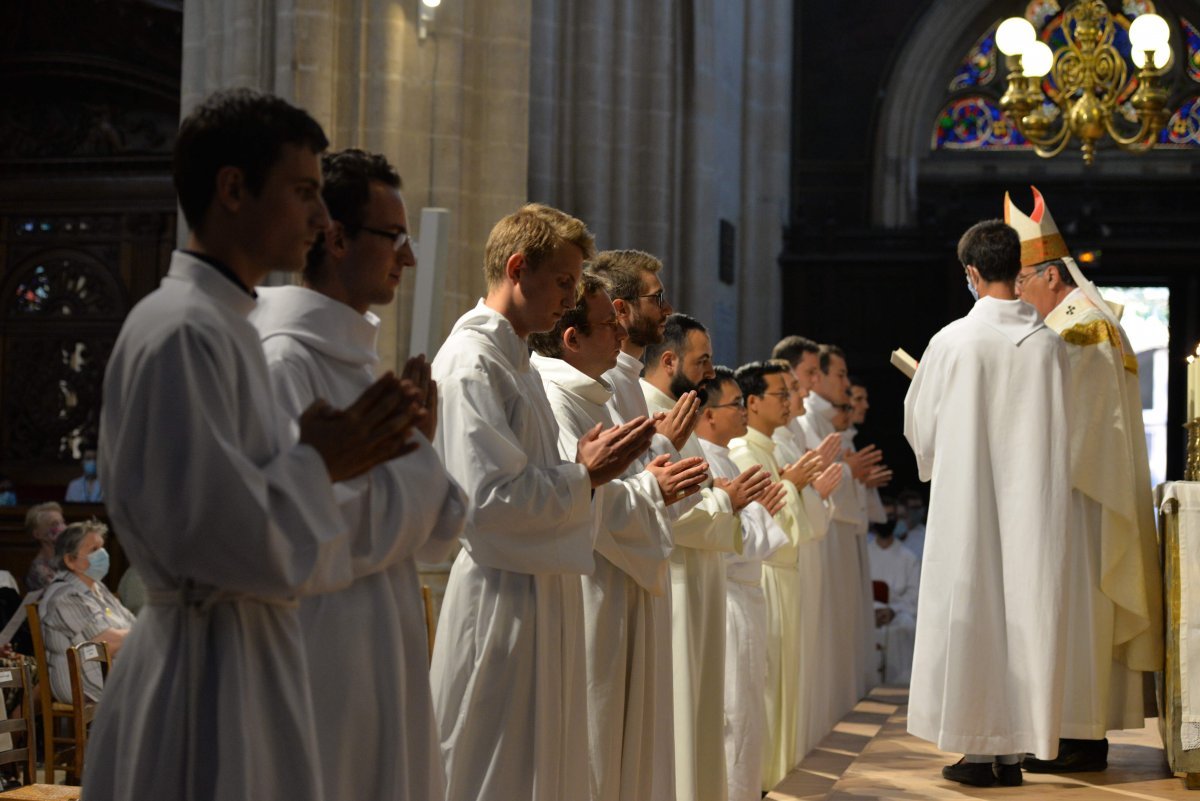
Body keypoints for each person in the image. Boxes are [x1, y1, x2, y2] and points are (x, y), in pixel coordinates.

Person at [84, 88, 423, 801]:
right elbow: (218, 540)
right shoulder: (183, 331)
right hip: (200, 680)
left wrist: (333, 463)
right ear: (233, 188)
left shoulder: (226, 327)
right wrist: (324, 462)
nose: (322, 218)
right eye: (304, 191)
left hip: (243, 658)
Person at [250, 148, 468, 801]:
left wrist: (418, 453)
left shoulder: (357, 365)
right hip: (326, 651)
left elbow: (441, 532)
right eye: (394, 236)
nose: (409, 257)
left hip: (381, 641)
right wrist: (420, 470)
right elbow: (310, 530)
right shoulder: (284, 361)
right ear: (336, 237)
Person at [430, 203, 655, 801]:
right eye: (562, 281)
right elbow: (488, 500)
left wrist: (575, 468)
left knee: (545, 768)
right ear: (516, 268)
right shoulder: (471, 364)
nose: (568, 298)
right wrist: (582, 477)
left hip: (539, 593)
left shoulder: (518, 362)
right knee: (494, 768)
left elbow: (528, 475)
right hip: (499, 600)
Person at [904, 218, 1070, 787]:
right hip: (1033, 510)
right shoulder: (1050, 345)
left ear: (972, 273)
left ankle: (978, 754)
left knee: (974, 614)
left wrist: (937, 460)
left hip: (968, 505)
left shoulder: (952, 341)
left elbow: (919, 428)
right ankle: (1014, 748)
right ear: (1016, 270)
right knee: (1025, 611)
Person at [530, 274, 706, 801]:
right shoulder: (557, 397)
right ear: (572, 338)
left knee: (627, 745)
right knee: (597, 741)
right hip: (595, 585)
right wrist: (656, 481)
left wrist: (659, 473)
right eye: (609, 324)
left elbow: (618, 481)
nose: (620, 333)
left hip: (626, 579)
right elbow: (586, 494)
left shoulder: (602, 391)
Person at [1009, 186, 1163, 773]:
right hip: (1083, 491)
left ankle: (1075, 736)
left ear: (1050, 276)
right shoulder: (1090, 319)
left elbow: (1071, 425)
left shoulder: (1078, 328)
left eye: (1022, 281)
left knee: (1072, 610)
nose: (1019, 293)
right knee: (1074, 614)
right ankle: (1074, 732)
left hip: (1078, 495)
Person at [642, 313, 768, 801]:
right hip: (674, 589)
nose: (711, 373)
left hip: (700, 585)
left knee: (705, 720)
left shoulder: (680, 418)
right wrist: (726, 500)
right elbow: (669, 511)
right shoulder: (651, 414)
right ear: (670, 360)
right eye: (704, 361)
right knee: (686, 723)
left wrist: (722, 497)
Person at [694, 367, 789, 801]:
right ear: (708, 414)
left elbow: (748, 530)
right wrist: (759, 514)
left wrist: (757, 512)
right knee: (733, 717)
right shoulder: (703, 459)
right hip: (729, 598)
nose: (741, 412)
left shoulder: (725, 458)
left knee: (748, 714)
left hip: (745, 598)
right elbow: (728, 542)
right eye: (734, 404)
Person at [727, 360, 820, 783]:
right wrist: (791, 485)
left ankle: (777, 775)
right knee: (764, 686)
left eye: (789, 393)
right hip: (765, 573)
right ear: (753, 401)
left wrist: (792, 483)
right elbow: (765, 523)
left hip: (783, 573)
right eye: (780, 394)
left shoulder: (769, 447)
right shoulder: (745, 451)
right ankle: (763, 780)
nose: (788, 402)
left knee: (781, 685)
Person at [38, 520, 136, 702]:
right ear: (69, 560)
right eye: (93, 550)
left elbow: (132, 625)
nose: (102, 554)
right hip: (85, 681)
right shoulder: (64, 595)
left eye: (102, 548)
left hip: (115, 671)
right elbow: (107, 642)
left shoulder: (98, 588)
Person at [867, 498, 920, 685]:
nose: (886, 520)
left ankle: (902, 686)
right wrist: (873, 610)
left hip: (897, 613)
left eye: (890, 516)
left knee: (907, 627)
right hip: (867, 615)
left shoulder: (909, 558)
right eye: (882, 515)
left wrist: (892, 611)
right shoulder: (864, 554)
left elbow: (914, 596)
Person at [24, 502, 66, 592]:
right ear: (37, 534)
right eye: (54, 524)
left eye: (62, 522)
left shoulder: (66, 559)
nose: (62, 528)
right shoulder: (39, 570)